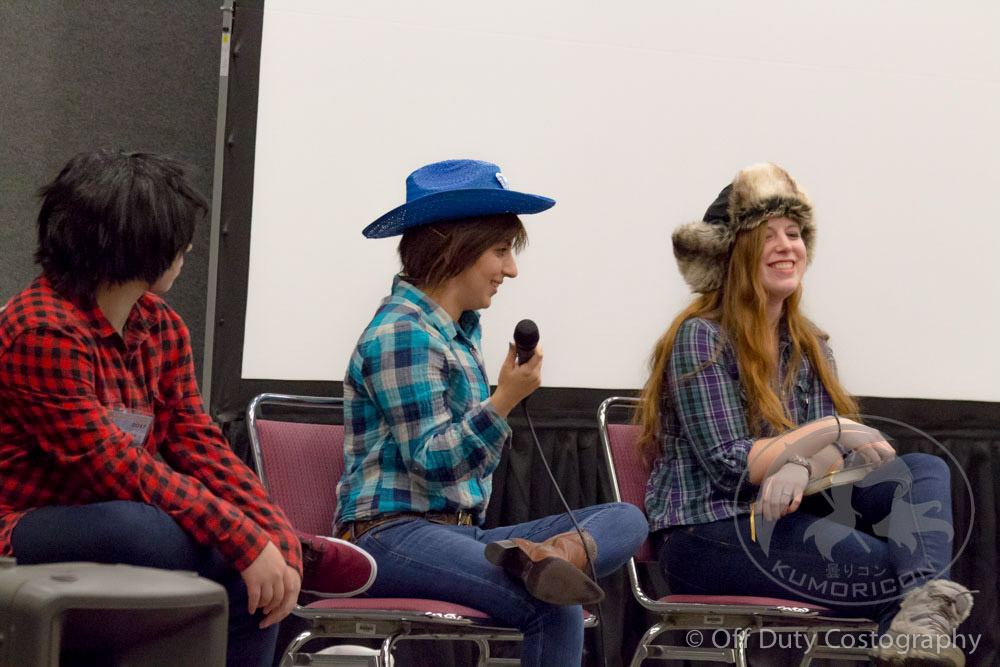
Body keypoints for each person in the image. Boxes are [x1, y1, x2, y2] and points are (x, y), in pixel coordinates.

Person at [0, 150, 370, 667]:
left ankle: (295, 549)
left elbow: (200, 445)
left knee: (254, 577)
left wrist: (273, 532)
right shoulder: (42, 330)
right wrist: (243, 537)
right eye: (177, 236)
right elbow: (114, 467)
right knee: (136, 526)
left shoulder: (162, 325)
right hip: (22, 527)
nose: (188, 247)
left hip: (116, 512)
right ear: (136, 243)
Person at [637, 163, 973, 666]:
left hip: (787, 513)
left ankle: (920, 633)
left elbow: (834, 455)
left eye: (793, 234)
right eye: (766, 235)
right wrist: (831, 428)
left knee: (925, 469)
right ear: (733, 253)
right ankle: (919, 630)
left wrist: (800, 463)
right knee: (893, 576)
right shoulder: (700, 337)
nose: (786, 246)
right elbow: (733, 466)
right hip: (707, 532)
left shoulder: (808, 344)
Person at [335, 159, 648, 667]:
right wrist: (504, 400)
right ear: (453, 247)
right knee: (552, 606)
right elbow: (433, 464)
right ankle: (543, 572)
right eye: (500, 251)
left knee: (626, 518)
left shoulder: (457, 333)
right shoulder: (402, 333)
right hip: (391, 538)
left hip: (460, 534)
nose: (512, 269)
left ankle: (552, 561)